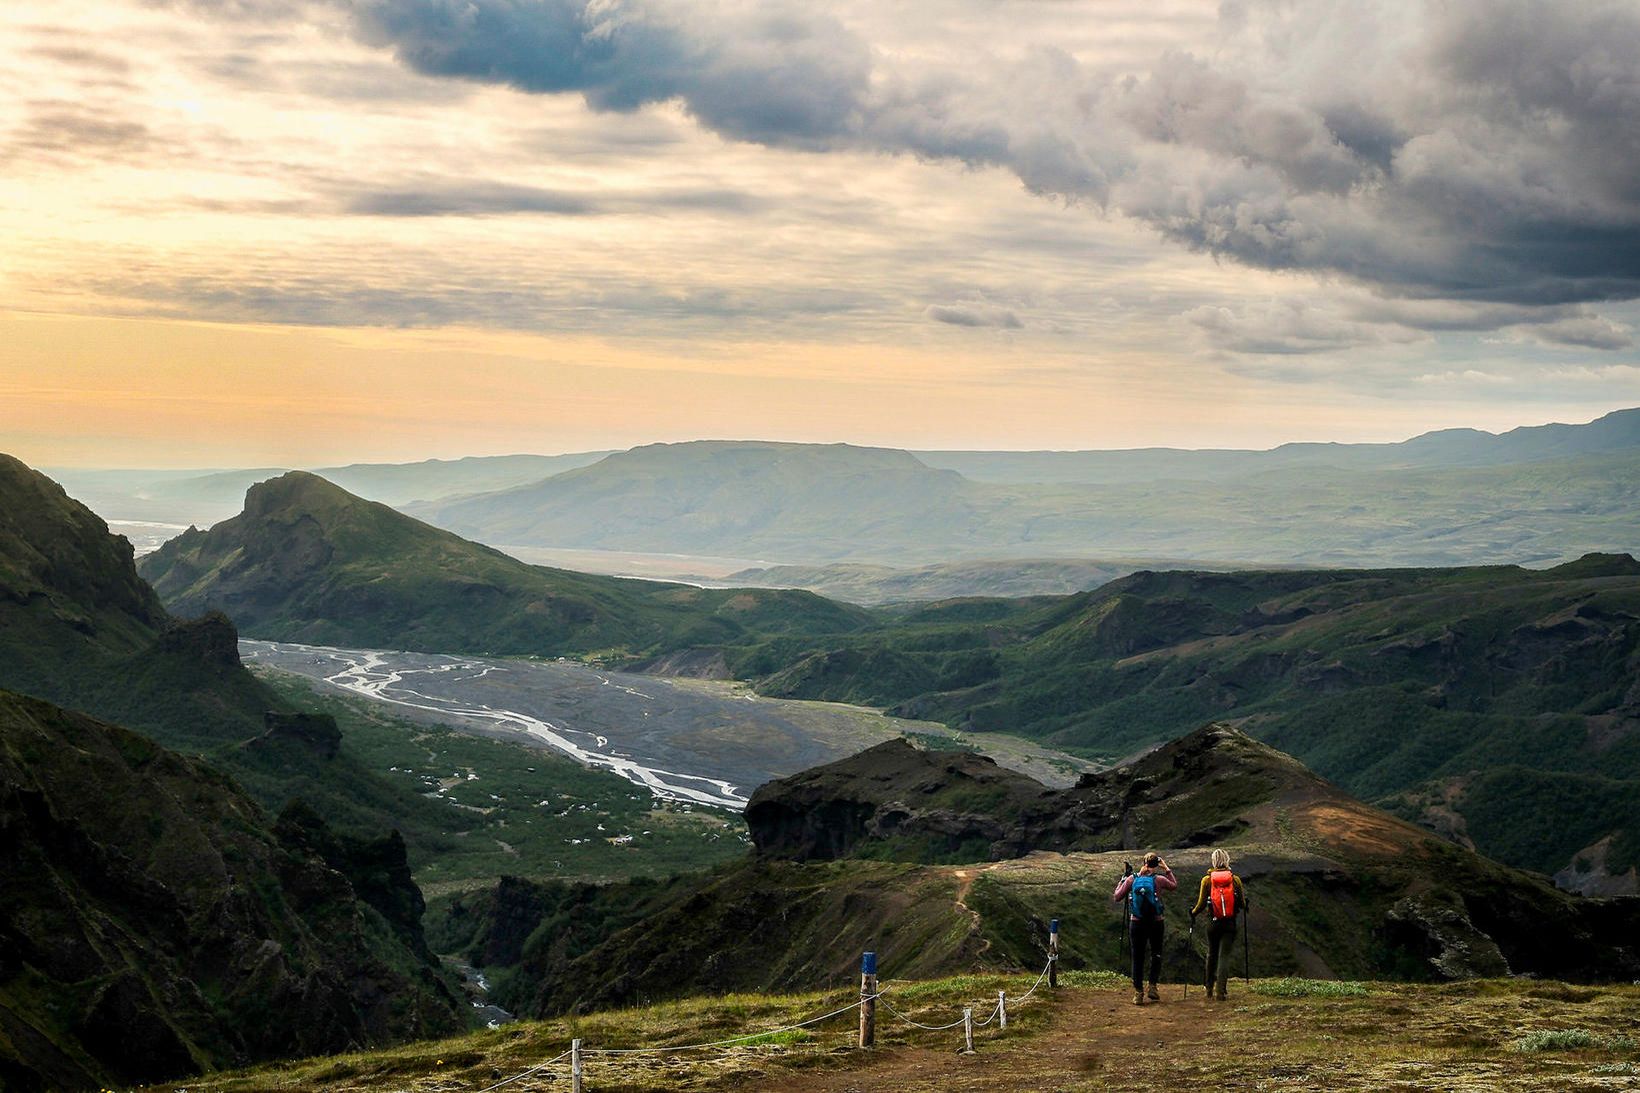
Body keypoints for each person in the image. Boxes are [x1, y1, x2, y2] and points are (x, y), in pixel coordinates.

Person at [1112, 851, 1176, 1005]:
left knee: (1138, 957)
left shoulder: (1132, 879)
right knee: (1156, 954)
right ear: (1156, 864)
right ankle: (1152, 987)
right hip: (1156, 922)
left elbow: (1117, 896)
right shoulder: (1159, 880)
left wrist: (1122, 879)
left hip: (1137, 922)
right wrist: (1166, 868)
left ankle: (1138, 993)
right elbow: (1174, 885)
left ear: (1144, 863)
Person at [1190, 848, 1248, 1001]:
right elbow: (1241, 903)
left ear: (1213, 861)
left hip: (1212, 923)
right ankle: (1220, 992)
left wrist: (1193, 913)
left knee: (1211, 954)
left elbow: (1201, 904)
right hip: (1229, 923)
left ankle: (1208, 988)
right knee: (1224, 956)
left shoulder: (1207, 880)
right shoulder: (1235, 880)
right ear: (1227, 860)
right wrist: (1245, 904)